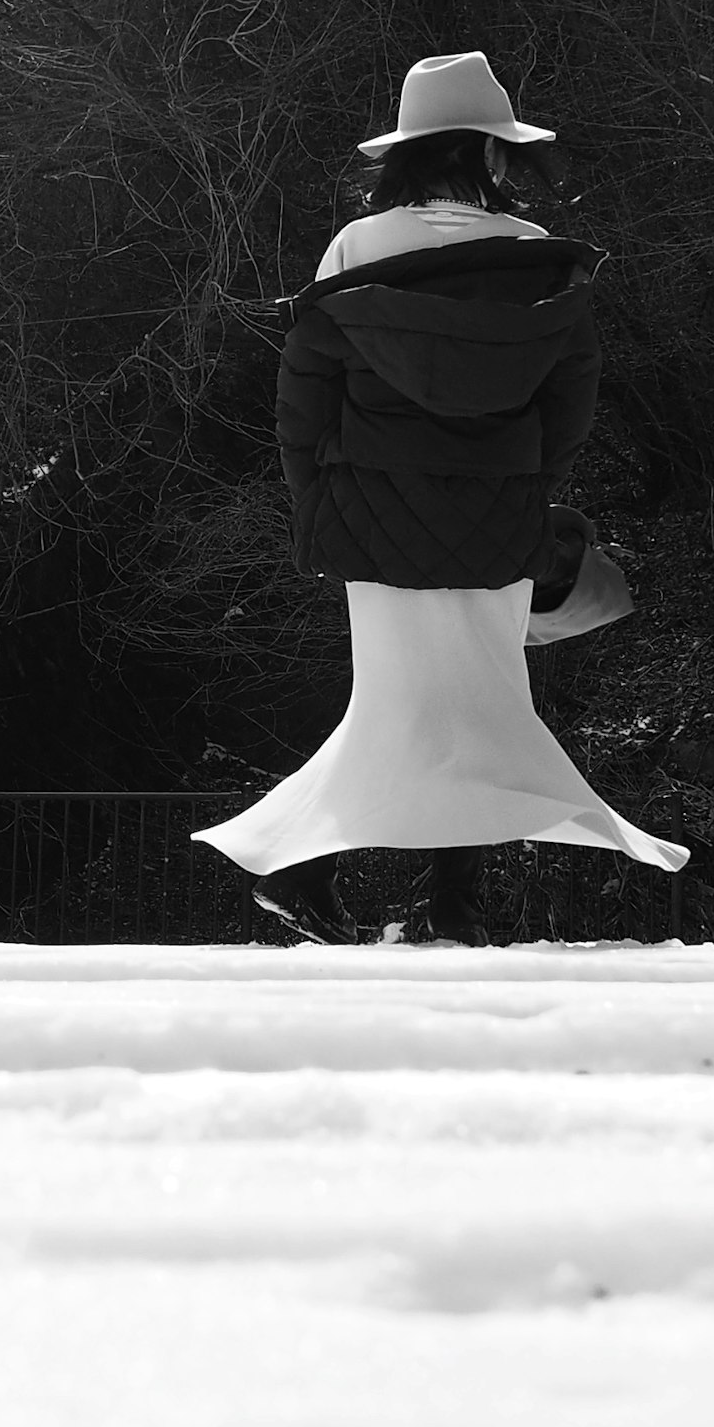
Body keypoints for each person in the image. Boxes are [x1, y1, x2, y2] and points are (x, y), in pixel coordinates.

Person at [196, 49, 687, 942]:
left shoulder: (356, 250)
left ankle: (300, 866)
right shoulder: (538, 258)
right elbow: (569, 405)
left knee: (392, 705)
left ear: (409, 154)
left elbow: (303, 403)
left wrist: (320, 506)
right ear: (492, 156)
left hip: (372, 517)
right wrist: (527, 489)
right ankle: (450, 908)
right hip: (496, 517)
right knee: (484, 706)